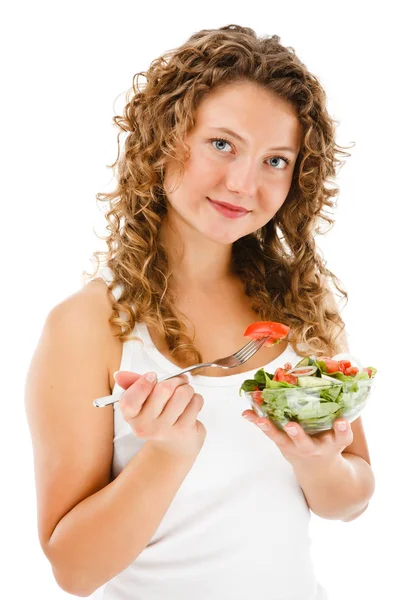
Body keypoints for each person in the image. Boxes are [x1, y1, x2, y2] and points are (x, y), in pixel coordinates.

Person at [24, 24, 375, 600]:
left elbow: (353, 500)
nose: (243, 183)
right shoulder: (89, 326)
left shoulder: (302, 307)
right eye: (222, 144)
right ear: (165, 137)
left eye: (276, 160)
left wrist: (316, 463)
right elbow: (75, 572)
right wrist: (166, 453)